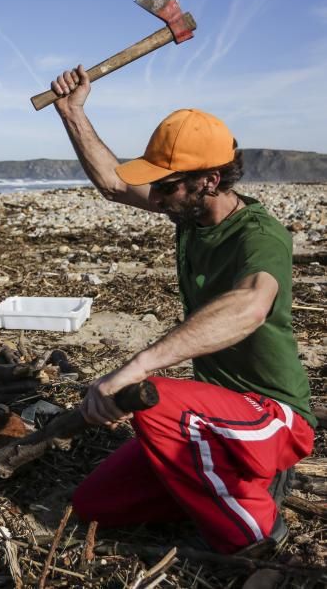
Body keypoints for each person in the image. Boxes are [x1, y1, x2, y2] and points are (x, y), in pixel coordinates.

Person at [50, 65, 315, 554]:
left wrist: (138, 364)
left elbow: (251, 304)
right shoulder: (190, 211)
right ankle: (231, 478)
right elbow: (113, 183)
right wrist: (72, 112)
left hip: (274, 419)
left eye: (165, 186)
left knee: (152, 396)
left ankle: (257, 535)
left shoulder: (259, 235)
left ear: (209, 180)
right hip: (213, 418)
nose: (154, 197)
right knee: (94, 503)